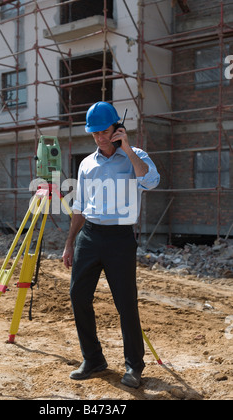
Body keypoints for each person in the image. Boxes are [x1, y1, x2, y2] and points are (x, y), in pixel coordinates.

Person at [62, 102, 160, 388]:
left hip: (120, 238)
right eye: (95, 134)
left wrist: (127, 149)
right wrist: (70, 242)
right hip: (89, 236)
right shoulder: (86, 164)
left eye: (104, 132)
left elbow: (151, 181)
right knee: (78, 296)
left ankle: (134, 367)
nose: (100, 138)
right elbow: (80, 206)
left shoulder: (136, 156)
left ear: (117, 128)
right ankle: (93, 360)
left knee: (125, 304)